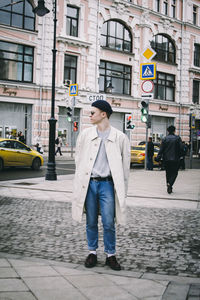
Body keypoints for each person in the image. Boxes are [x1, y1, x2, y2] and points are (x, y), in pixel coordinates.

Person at [72, 100, 130, 271]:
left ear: (103, 114)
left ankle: (110, 255)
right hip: (89, 184)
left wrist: (122, 191)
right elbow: (78, 159)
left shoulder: (120, 137)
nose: (90, 115)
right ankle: (92, 253)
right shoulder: (85, 135)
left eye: (92, 113)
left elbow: (125, 168)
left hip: (107, 185)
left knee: (108, 222)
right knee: (90, 221)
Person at [155, 125, 183, 194]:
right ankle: (170, 184)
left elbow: (161, 150)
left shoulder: (165, 139)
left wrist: (158, 158)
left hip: (166, 159)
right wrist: (181, 155)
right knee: (174, 173)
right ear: (174, 131)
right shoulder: (177, 138)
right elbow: (181, 148)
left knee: (168, 173)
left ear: (168, 131)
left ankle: (168, 184)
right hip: (175, 159)